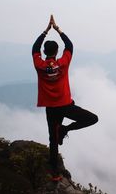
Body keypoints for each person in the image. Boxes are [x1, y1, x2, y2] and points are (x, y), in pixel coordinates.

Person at [32, 15, 98, 181]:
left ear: (45, 53)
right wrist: (57, 29)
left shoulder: (39, 65)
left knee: (53, 140)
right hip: (66, 105)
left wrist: (45, 31)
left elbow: (34, 49)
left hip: (51, 109)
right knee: (92, 119)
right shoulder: (63, 63)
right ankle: (66, 129)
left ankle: (55, 173)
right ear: (56, 52)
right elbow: (70, 45)